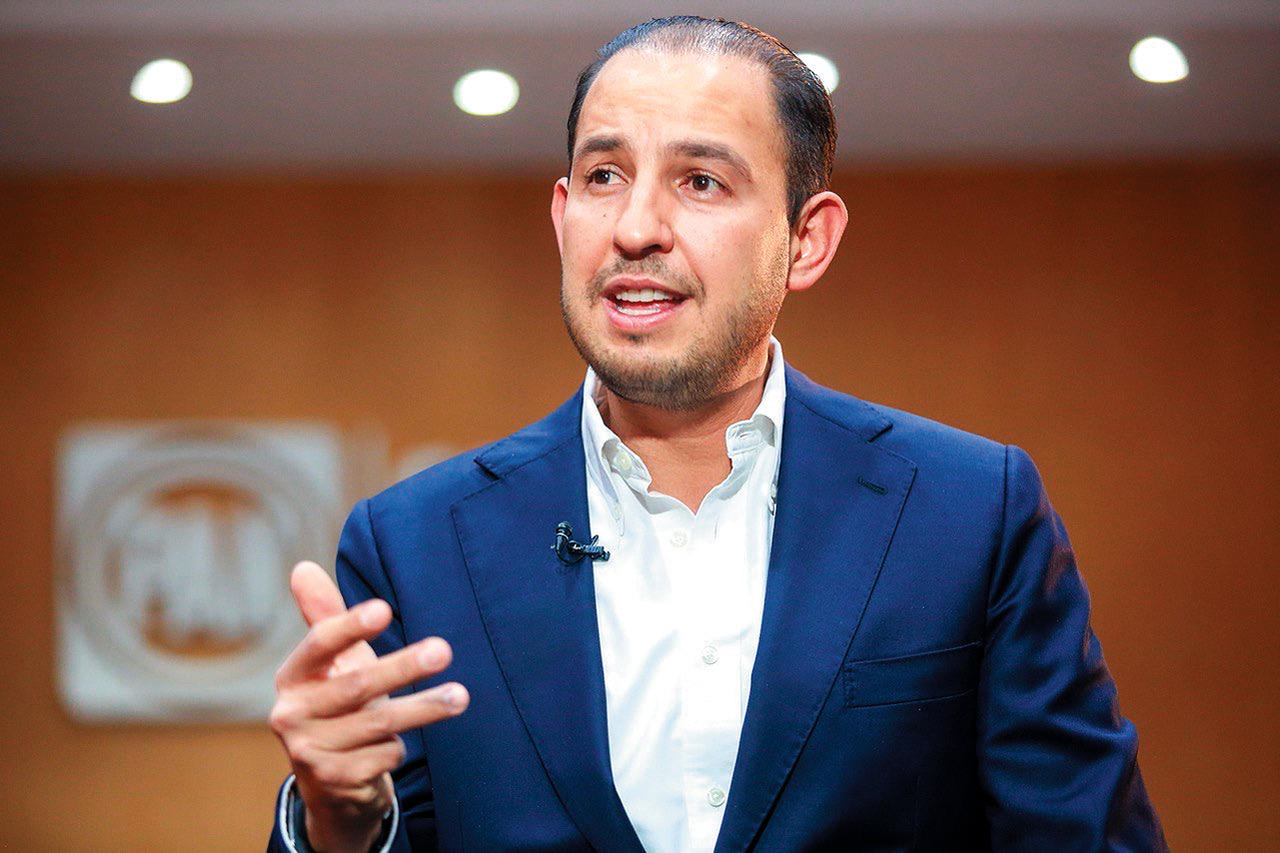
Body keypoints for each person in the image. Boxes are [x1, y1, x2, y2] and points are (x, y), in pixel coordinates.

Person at [267, 16, 1166, 852]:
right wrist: (339, 820)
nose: (635, 229)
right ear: (562, 215)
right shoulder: (414, 545)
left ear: (806, 240)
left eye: (701, 181)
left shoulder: (969, 512)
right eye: (604, 176)